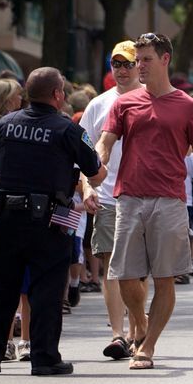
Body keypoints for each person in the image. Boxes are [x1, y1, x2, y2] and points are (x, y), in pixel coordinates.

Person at [96, 33, 193, 371]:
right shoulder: (125, 103)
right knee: (123, 274)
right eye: (137, 60)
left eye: (145, 59)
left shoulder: (188, 106)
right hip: (129, 197)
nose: (139, 66)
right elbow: (105, 141)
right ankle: (140, 321)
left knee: (164, 278)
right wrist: (98, 162)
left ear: (165, 59)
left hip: (169, 200)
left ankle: (147, 346)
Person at [0, 68, 102, 376]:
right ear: (57, 95)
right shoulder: (66, 128)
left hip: (3, 216)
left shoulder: (4, 124)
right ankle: (44, 358)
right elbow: (95, 170)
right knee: (46, 289)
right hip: (48, 222)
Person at [80, 40, 142, 361]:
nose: (121, 70)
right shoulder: (98, 105)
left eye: (127, 63)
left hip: (142, 196)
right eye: (116, 64)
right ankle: (118, 334)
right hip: (106, 197)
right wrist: (87, 187)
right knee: (111, 268)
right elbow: (85, 154)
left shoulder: (152, 99)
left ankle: (136, 329)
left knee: (138, 269)